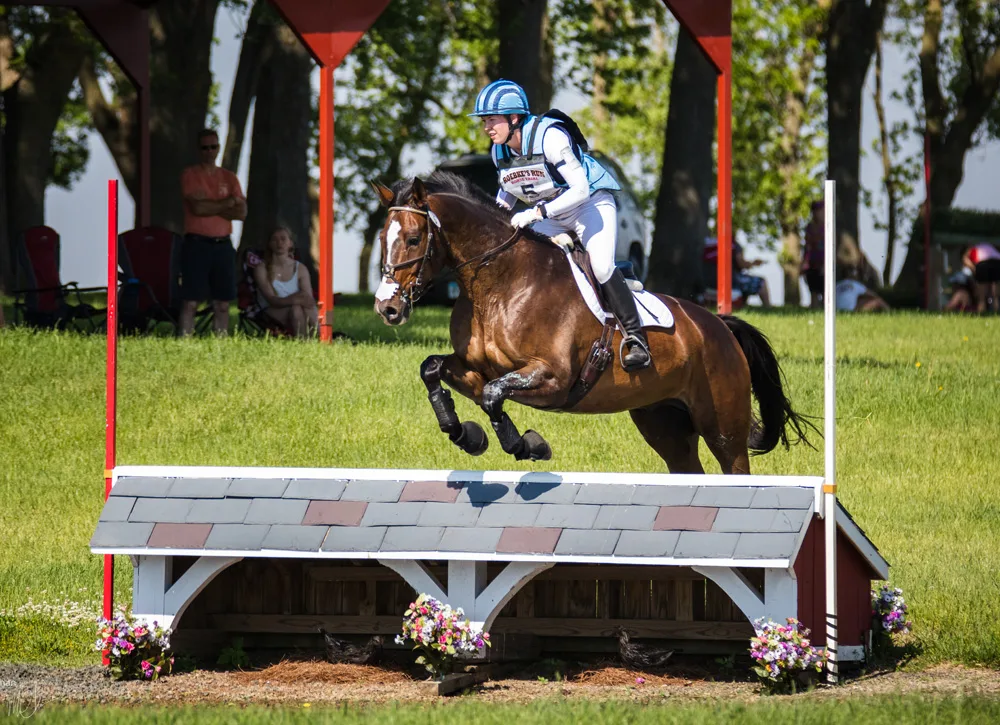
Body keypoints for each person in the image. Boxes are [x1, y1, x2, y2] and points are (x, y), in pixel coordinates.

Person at [468, 79, 651, 371]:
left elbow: (579, 190)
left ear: (514, 118)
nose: (486, 127)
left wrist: (537, 212)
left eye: (492, 120)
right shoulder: (498, 151)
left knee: (602, 266)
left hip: (590, 205)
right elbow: (506, 195)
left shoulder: (550, 137)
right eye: (484, 121)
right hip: (553, 213)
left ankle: (636, 339)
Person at [179, 128, 247, 336]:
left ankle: (220, 343)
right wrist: (227, 203)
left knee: (223, 303)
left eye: (213, 146)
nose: (210, 151)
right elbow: (197, 209)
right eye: (205, 147)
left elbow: (242, 212)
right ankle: (184, 341)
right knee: (191, 301)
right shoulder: (190, 175)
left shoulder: (229, 177)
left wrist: (211, 206)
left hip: (223, 245)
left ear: (218, 148)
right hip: (196, 244)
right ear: (198, 150)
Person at [252, 227, 318, 337]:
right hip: (271, 310)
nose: (279, 243)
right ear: (269, 244)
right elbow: (272, 300)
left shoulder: (300, 268)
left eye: (283, 239)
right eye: (275, 240)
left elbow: (308, 300)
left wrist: (297, 300)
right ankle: (308, 341)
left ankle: (316, 337)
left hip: (299, 309)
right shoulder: (262, 268)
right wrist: (294, 299)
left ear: (290, 243)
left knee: (299, 308)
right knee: (296, 308)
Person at [801, 200, 825, 309]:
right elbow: (807, 247)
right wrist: (804, 263)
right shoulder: (809, 228)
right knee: (813, 291)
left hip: (824, 263)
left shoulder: (828, 228)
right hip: (812, 264)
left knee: (826, 291)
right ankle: (814, 310)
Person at [733, 240, 771, 308]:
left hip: (714, 281)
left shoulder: (712, 242)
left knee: (745, 278)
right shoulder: (733, 244)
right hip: (732, 280)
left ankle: (743, 307)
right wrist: (753, 263)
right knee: (761, 281)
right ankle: (767, 307)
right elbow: (741, 263)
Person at [964, 243, 1000, 313]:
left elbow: (965, 259)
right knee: (995, 296)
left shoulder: (973, 248)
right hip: (998, 263)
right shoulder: (990, 247)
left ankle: (981, 313)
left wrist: (975, 271)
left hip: (982, 264)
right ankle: (996, 313)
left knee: (982, 297)